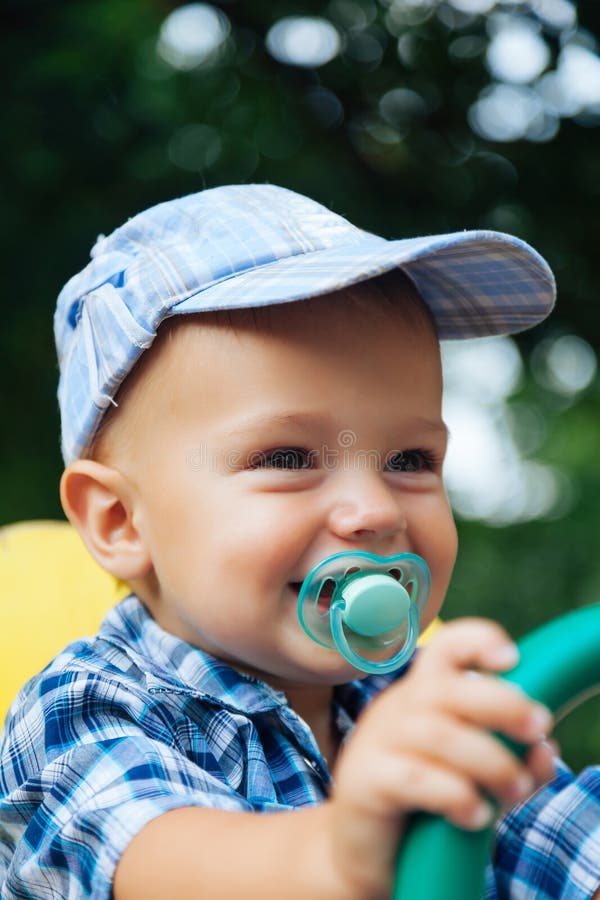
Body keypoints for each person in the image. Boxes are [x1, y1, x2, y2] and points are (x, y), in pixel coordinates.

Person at [0, 184, 597, 900]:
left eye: (409, 461)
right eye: (287, 459)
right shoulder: (81, 710)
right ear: (120, 523)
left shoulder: (428, 704)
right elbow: (166, 865)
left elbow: (570, 849)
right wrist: (342, 854)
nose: (374, 511)